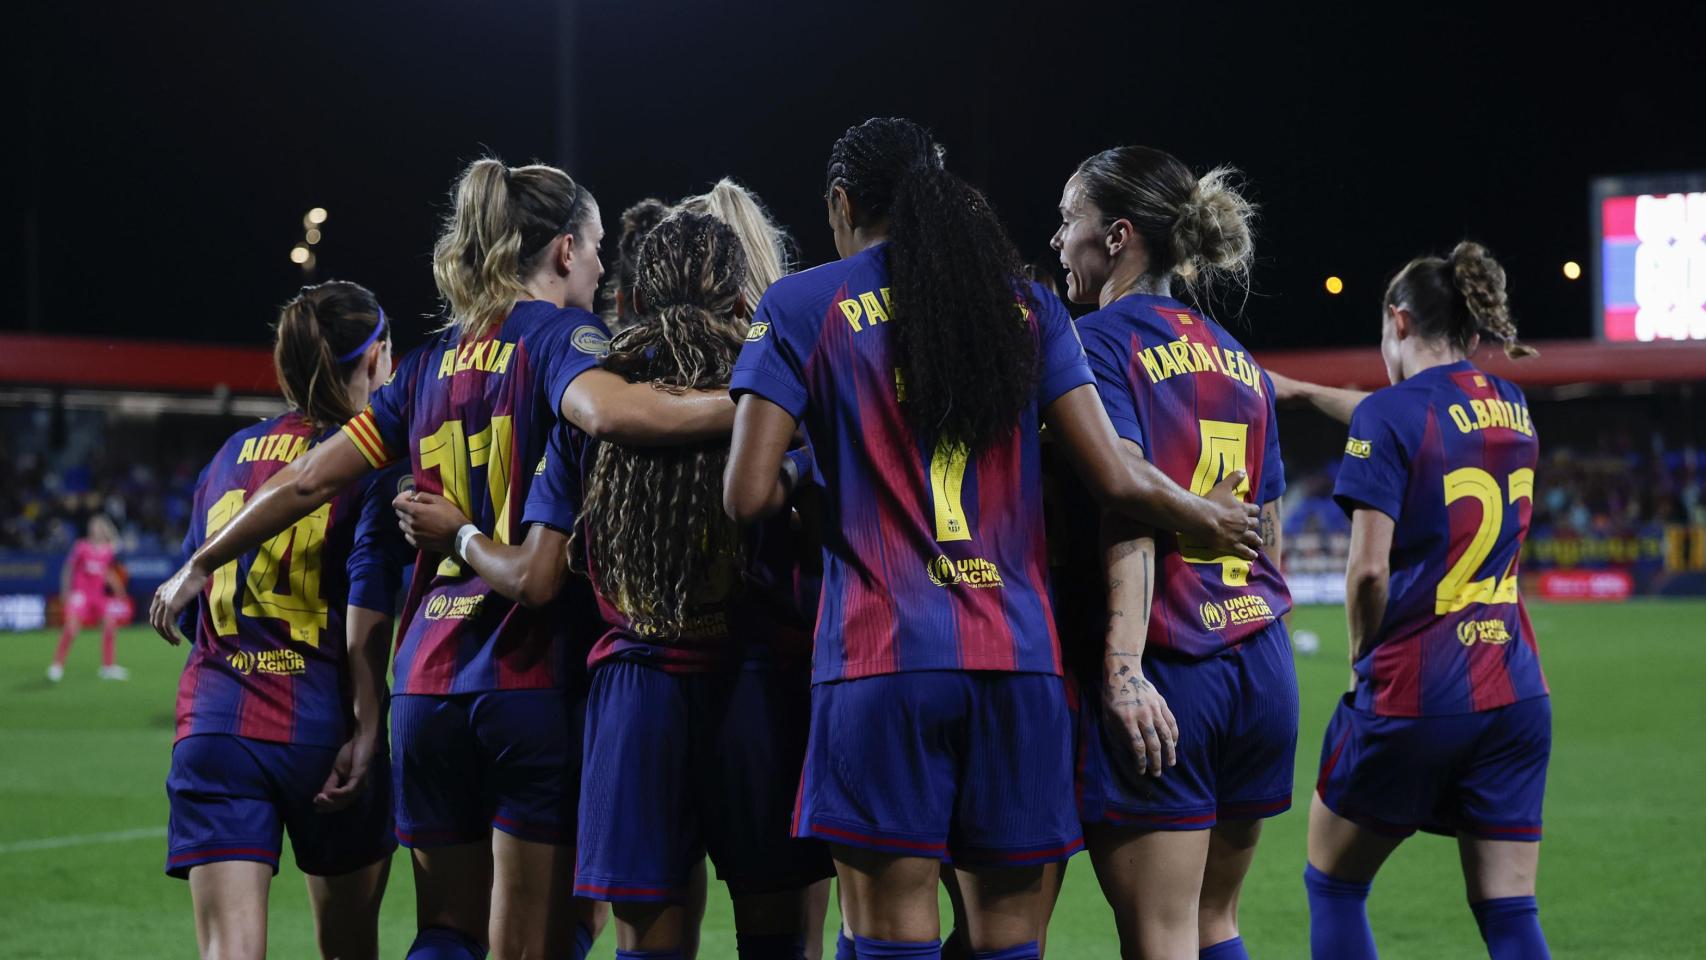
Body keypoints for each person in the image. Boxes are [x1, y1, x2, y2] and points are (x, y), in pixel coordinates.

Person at [151, 157, 736, 960]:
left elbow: (304, 481)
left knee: (446, 933)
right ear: (565, 251)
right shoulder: (564, 338)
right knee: (537, 940)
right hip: (526, 679)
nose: (604, 268)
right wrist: (761, 406)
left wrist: (198, 563)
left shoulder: (423, 367)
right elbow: (608, 413)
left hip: (426, 685)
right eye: (596, 246)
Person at [723, 116, 1262, 960]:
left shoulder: (804, 302)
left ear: (841, 202)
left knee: (889, 940)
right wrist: (1207, 517)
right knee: (1008, 945)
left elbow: (746, 493)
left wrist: (805, 471)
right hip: (1019, 666)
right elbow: (1115, 477)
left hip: (881, 657)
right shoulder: (1029, 303)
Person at [401, 212, 830, 960]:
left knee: (648, 947)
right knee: (777, 944)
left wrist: (463, 536)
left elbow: (538, 572)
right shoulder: (780, 398)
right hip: (756, 691)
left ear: (628, 303)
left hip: (636, 697)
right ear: (740, 304)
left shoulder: (594, 411)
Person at [1050, 145, 1295, 960]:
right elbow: (1268, 529)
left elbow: (1128, 499)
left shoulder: (1096, 344)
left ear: (1117, 236)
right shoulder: (1244, 363)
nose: (1058, 241)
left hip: (1171, 668)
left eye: (1068, 220)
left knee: (1161, 940)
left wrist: (1121, 668)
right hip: (1262, 663)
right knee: (1215, 924)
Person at [1292, 243, 1551, 960]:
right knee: (1509, 909)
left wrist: (1358, 661)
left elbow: (1368, 573)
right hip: (1516, 689)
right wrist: (1306, 390)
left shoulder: (1392, 416)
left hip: (1416, 691)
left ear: (1397, 321)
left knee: (1335, 884)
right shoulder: (1513, 404)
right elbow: (1411, 419)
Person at [164, 280, 403, 960]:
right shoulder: (373, 464)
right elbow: (369, 602)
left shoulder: (227, 459)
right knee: (348, 948)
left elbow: (197, 605)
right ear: (377, 358)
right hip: (322, 731)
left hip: (219, 724)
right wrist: (368, 723)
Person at [50, 514, 129, 681]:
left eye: (100, 526)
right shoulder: (81, 546)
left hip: (98, 596)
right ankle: (57, 665)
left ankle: (108, 667)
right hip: (80, 595)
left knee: (110, 626)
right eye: (94, 525)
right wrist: (65, 590)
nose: (96, 528)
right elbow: (68, 569)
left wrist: (118, 588)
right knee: (72, 628)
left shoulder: (107, 550)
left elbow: (107, 570)